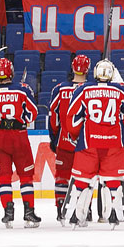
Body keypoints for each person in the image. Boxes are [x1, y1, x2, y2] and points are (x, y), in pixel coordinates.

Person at [61, 58, 124, 228]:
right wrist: (121, 84)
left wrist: (75, 135)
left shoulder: (83, 89)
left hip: (89, 142)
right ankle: (114, 215)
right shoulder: (121, 90)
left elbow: (72, 119)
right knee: (113, 180)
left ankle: (75, 214)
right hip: (114, 142)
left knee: (82, 180)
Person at [0, 56, 41, 228]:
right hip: (19, 135)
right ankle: (29, 212)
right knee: (25, 176)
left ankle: (8, 213)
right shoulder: (22, 89)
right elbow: (33, 113)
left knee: (4, 177)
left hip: (0, 137)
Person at [48, 54, 89, 224]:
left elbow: (53, 116)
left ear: (73, 67)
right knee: (85, 177)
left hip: (64, 141)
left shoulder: (60, 89)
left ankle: (60, 208)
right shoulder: (91, 89)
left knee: (62, 176)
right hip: (85, 142)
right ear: (87, 69)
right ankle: (85, 209)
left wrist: (54, 137)